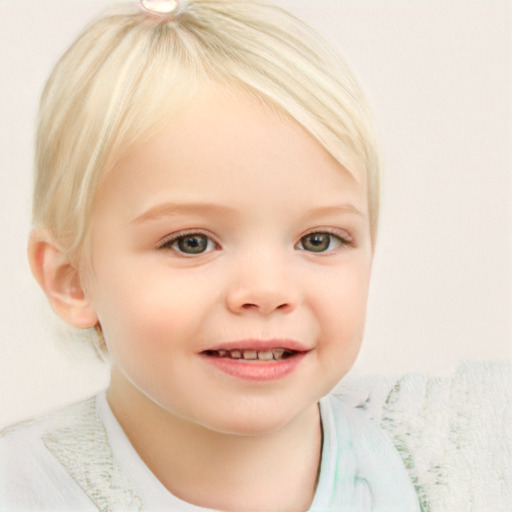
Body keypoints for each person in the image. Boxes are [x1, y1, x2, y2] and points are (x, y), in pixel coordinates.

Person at [0, 0, 423, 510]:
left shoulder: (451, 460)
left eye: (319, 240)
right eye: (192, 242)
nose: (267, 291)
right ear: (72, 280)